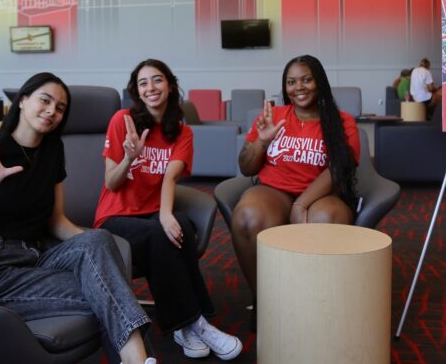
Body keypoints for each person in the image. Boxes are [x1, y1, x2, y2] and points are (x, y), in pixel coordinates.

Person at [0, 72, 155, 364]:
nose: (52, 111)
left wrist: (100, 251)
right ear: (23, 100)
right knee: (109, 293)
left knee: (101, 248)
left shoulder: (53, 151)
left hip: (35, 259)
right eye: (45, 100)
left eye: (60, 108)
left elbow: (56, 222)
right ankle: (138, 360)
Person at [94, 59, 242, 361]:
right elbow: (111, 181)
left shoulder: (182, 131)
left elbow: (171, 176)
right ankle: (197, 322)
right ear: (136, 90)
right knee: (160, 233)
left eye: (157, 80)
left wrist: (165, 213)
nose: (151, 88)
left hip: (150, 213)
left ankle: (183, 326)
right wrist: (129, 159)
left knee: (182, 226)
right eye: (143, 82)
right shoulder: (123, 120)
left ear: (170, 85)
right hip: (115, 216)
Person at [230, 54, 360, 330]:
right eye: (291, 82)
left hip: (322, 194)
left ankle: (316, 304)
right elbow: (246, 167)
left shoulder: (341, 121)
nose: (298, 87)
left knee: (324, 221)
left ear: (319, 82)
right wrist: (261, 143)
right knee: (246, 216)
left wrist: (301, 204)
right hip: (274, 191)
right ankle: (266, 301)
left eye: (306, 80)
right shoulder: (273, 117)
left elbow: (340, 168)